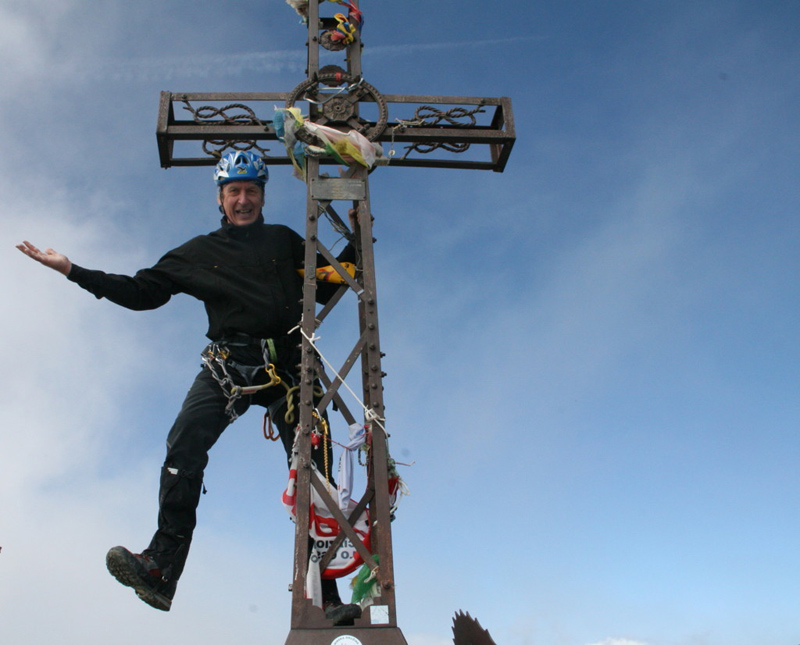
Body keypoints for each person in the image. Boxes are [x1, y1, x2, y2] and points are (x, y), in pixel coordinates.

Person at [16, 150, 361, 624]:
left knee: (313, 473)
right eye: (234, 192)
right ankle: (160, 569)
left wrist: (359, 230)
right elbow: (143, 292)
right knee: (183, 446)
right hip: (229, 365)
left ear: (262, 196)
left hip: (290, 369)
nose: (243, 200)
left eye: (252, 191)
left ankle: (327, 598)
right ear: (220, 199)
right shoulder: (199, 252)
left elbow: (328, 282)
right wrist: (74, 271)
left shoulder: (283, 241)